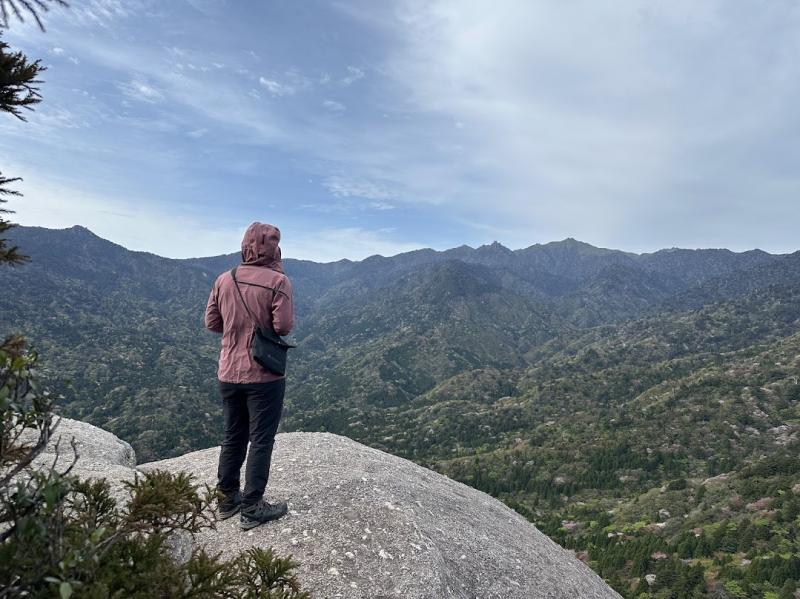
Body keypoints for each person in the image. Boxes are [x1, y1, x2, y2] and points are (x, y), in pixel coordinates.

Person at [204, 222, 294, 530]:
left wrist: (236, 328)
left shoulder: (224, 279)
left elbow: (212, 322)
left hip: (228, 371)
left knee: (233, 436)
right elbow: (283, 327)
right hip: (263, 375)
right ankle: (253, 506)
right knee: (261, 439)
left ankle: (227, 499)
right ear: (274, 248)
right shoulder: (278, 281)